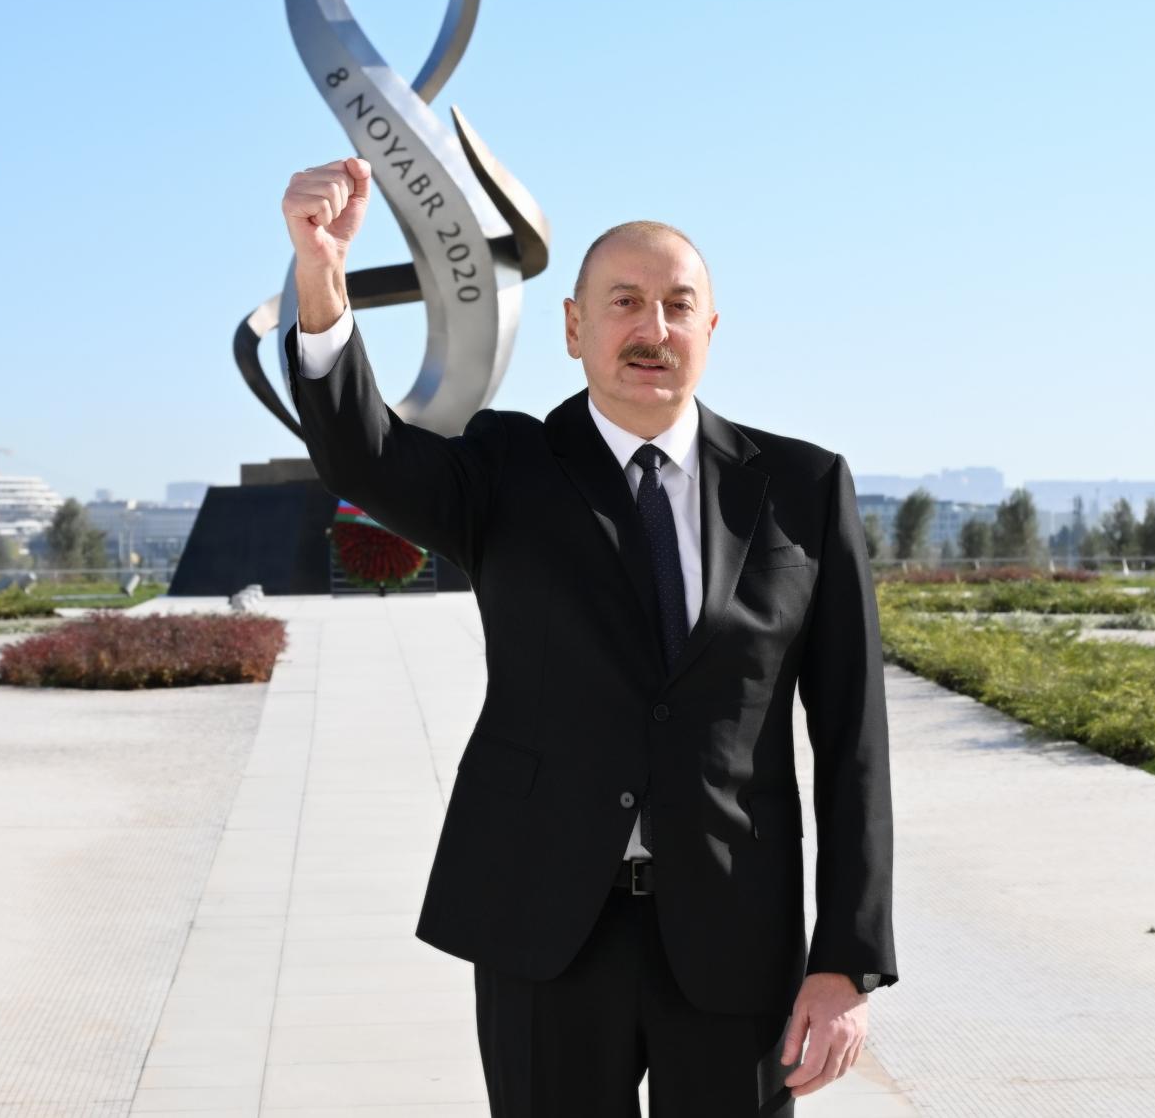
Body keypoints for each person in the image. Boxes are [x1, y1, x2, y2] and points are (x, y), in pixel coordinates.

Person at [280, 156, 897, 1115]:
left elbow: (854, 739)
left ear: (710, 330)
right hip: (543, 928)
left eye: (678, 306)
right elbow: (366, 451)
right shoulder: (506, 470)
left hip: (735, 936)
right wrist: (322, 281)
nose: (652, 329)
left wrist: (847, 961)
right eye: (624, 303)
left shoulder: (803, 489)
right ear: (573, 328)